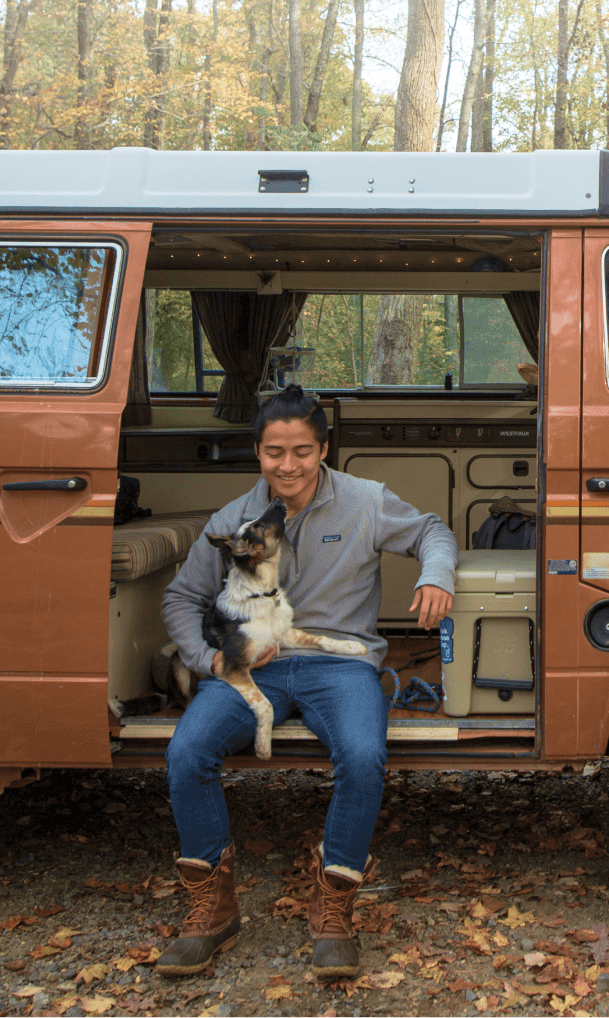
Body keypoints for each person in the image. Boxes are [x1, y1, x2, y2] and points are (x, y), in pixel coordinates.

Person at [157, 386, 457, 981]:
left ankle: (336, 906)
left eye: (300, 451)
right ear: (258, 454)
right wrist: (209, 661)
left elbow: (432, 531)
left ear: (323, 449)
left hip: (338, 665)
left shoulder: (366, 501)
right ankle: (212, 910)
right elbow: (181, 598)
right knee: (186, 752)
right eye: (273, 453)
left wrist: (436, 574)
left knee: (364, 755)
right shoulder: (232, 521)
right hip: (252, 669)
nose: (286, 465)